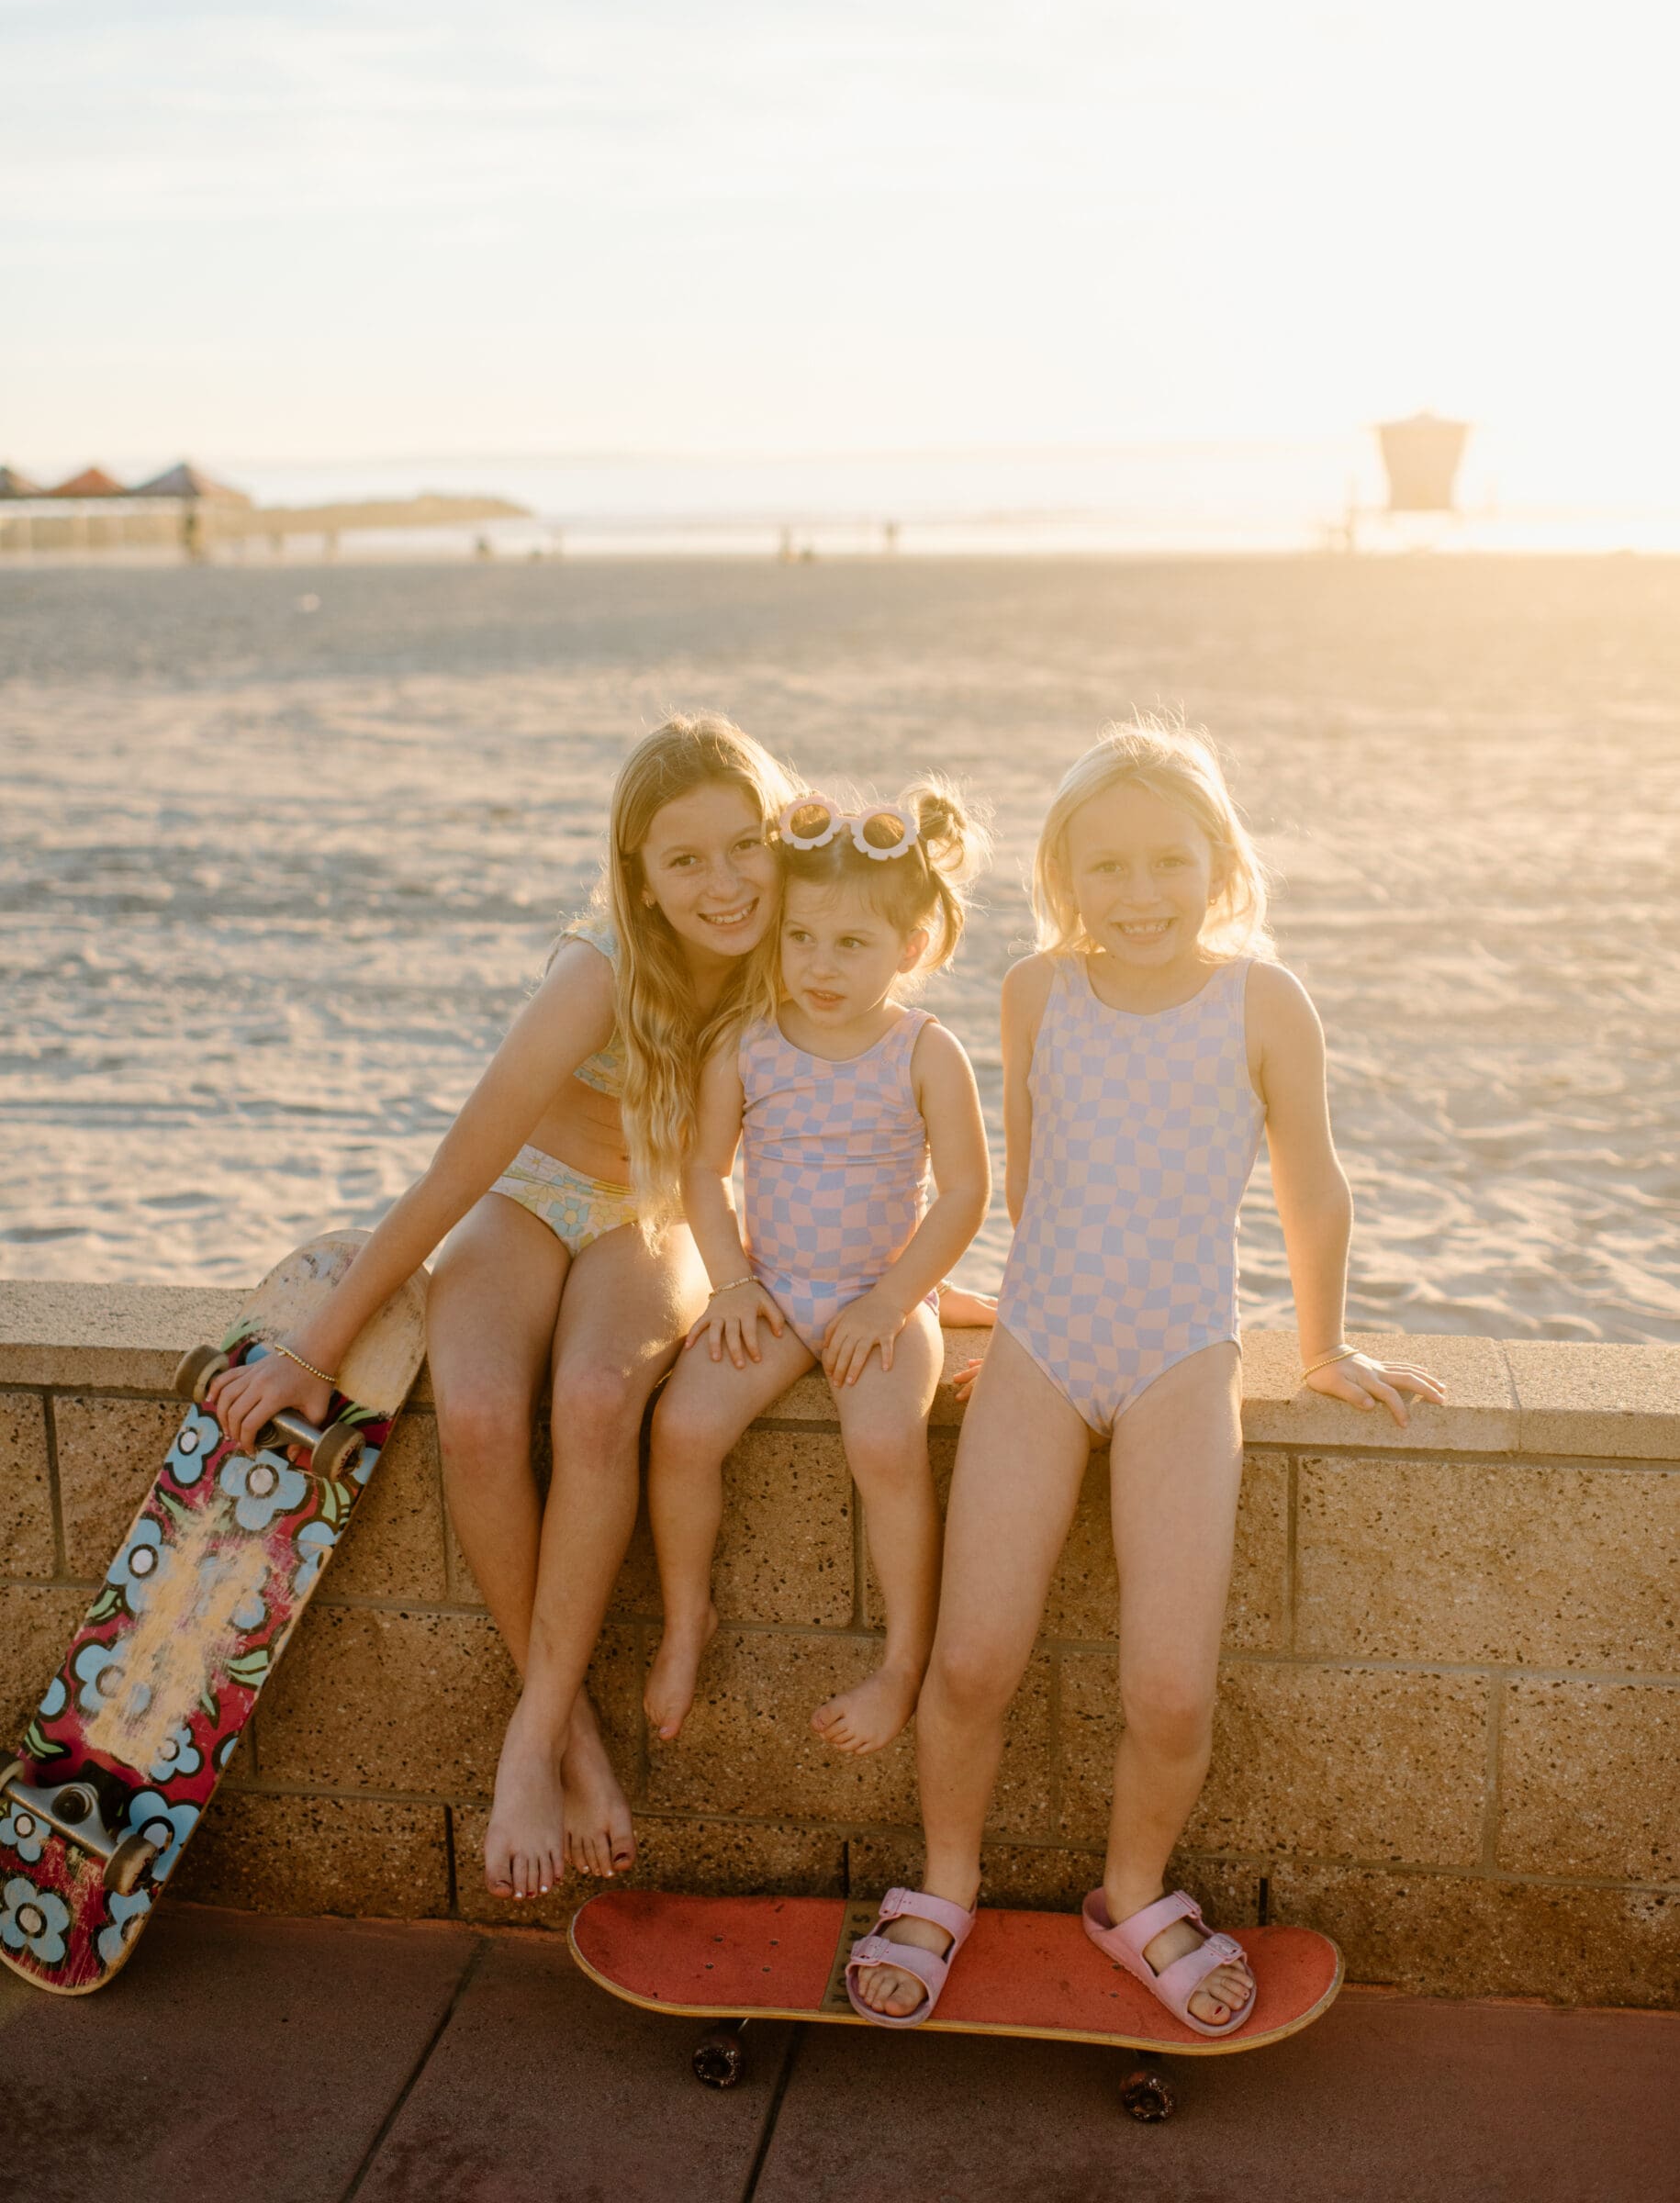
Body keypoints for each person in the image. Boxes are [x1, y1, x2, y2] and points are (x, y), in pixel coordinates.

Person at [846, 716, 1446, 2031]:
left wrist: (1327, 1340)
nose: (1136, 896)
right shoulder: (1030, 991)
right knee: (970, 1665)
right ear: (1063, 875)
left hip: (1182, 1353)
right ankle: (945, 1884)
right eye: (1103, 868)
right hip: (1043, 1345)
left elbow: (1310, 1189)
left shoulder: (1263, 1001)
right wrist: (992, 1312)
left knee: (1169, 1689)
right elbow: (1028, 1171)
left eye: (1165, 863)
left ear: (1217, 861)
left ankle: (1131, 1893)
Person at [203, 714, 797, 1901]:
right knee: (475, 1416)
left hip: (651, 1216)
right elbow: (459, 1167)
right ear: (638, 874)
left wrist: (910, 1283)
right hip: (524, 1194)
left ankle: (524, 1738)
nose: (723, 885)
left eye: (746, 848)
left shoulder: (799, 949)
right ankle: (562, 1731)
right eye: (686, 862)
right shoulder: (601, 969)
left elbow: (853, 1138)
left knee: (593, 1399)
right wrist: (317, 1353)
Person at [644, 783, 992, 1756]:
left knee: (884, 1447)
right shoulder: (748, 1045)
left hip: (882, 1294)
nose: (821, 965)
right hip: (775, 1287)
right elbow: (704, 1174)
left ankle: (903, 1661)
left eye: (853, 944)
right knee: (682, 1428)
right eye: (802, 938)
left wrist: (893, 1300)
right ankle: (686, 1620)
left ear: (911, 948)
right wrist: (730, 1282)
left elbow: (966, 1193)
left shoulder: (926, 1051)